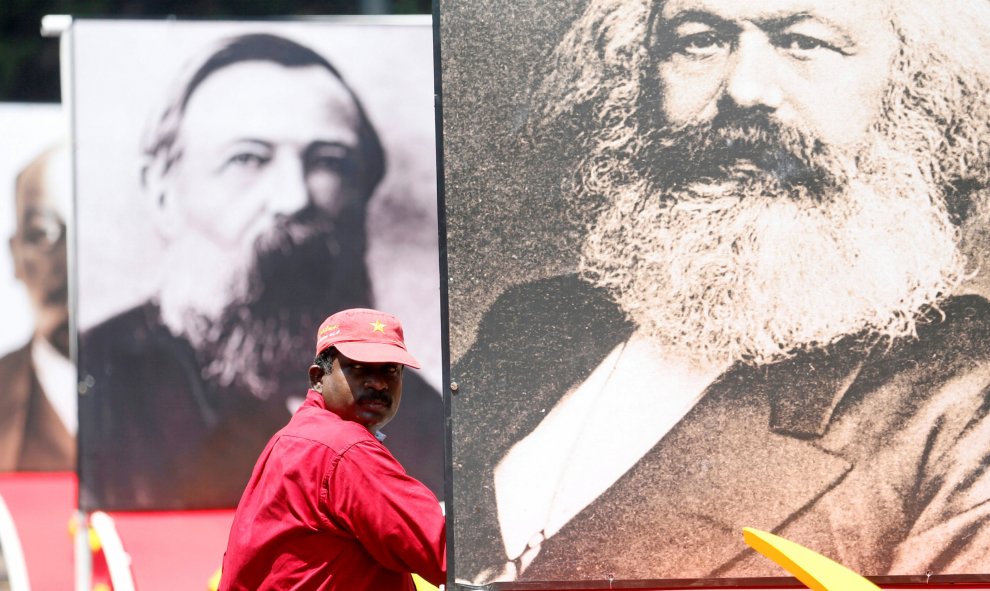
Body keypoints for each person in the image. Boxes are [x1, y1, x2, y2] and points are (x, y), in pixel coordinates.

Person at [450, 0, 990, 584]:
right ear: (641, 75)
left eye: (804, 42)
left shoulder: (963, 399)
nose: (744, 88)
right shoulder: (534, 320)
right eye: (699, 40)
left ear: (915, 88)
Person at [79, 33, 443, 510]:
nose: (293, 197)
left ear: (362, 197)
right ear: (162, 191)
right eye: (247, 158)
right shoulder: (97, 380)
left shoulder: (413, 410)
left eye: (328, 162)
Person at [220, 308, 446, 590]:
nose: (378, 383)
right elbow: (449, 554)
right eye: (359, 368)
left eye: (390, 370)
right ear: (317, 377)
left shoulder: (295, 438)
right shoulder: (344, 448)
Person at [0, 144, 74, 471]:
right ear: (15, 254)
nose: (69, 258)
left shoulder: (185, 397)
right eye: (44, 233)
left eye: (88, 231)